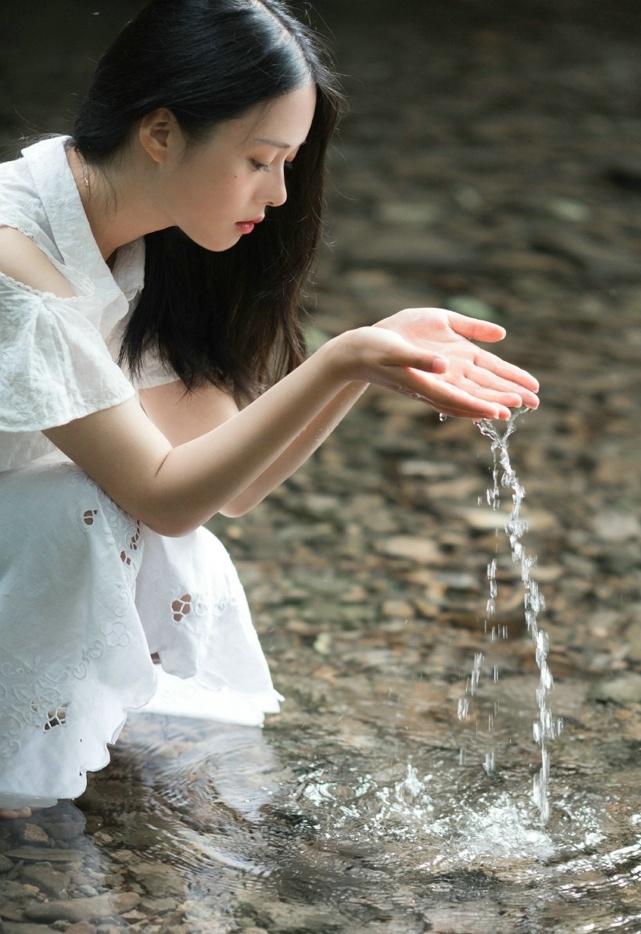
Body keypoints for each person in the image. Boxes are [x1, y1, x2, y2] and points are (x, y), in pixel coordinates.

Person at [0, 0, 539, 819]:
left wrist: (366, 362)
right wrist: (340, 359)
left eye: (288, 162)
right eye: (259, 159)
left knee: (168, 548)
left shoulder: (142, 240)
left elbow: (225, 484)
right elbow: (163, 495)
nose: (281, 193)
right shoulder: (14, 257)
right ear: (159, 133)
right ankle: (33, 807)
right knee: (90, 510)